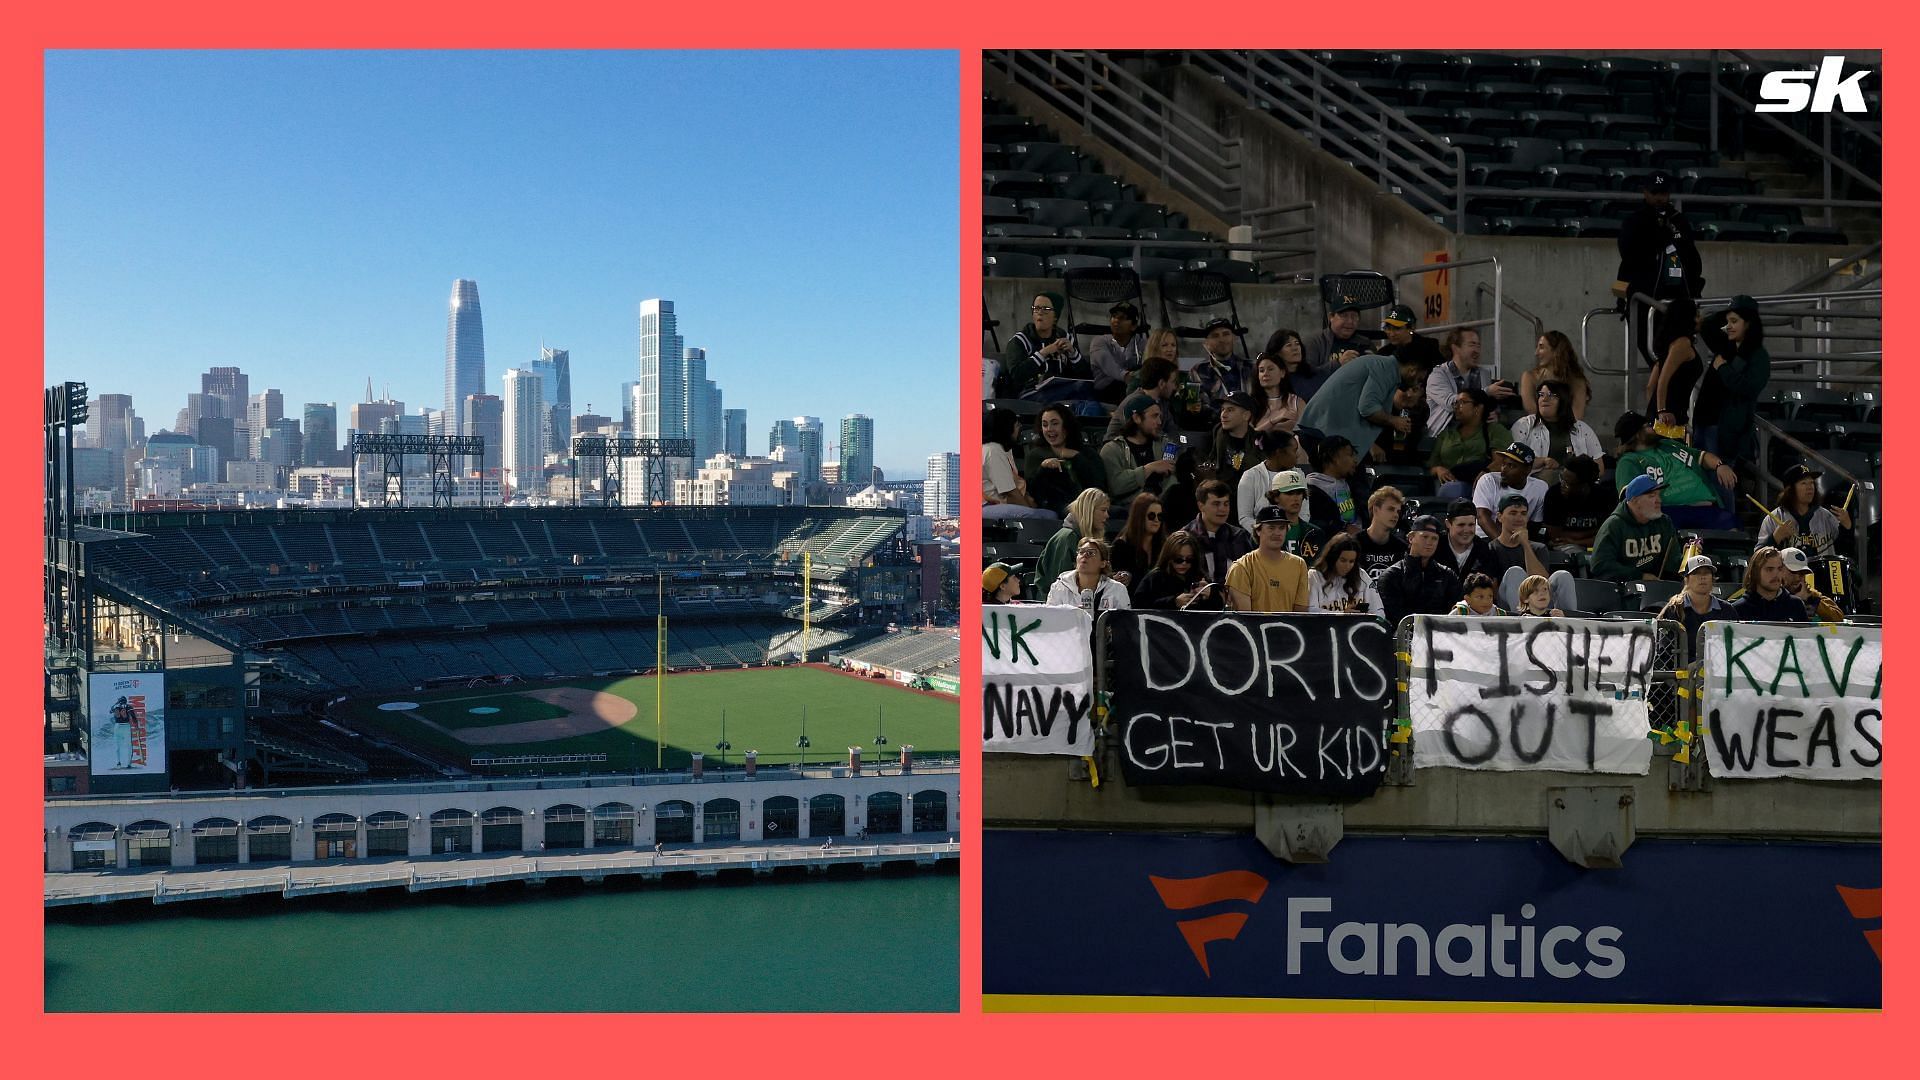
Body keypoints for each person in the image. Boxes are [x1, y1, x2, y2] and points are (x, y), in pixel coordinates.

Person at [1615, 171, 1703, 368]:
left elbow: (1692, 261)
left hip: (1677, 301)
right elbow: (1627, 259)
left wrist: (1696, 293)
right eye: (1655, 193)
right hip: (1646, 300)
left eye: (1663, 193)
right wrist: (1621, 297)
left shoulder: (1679, 220)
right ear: (1645, 193)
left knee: (1677, 358)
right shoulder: (1635, 221)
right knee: (1654, 355)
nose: (1659, 198)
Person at [1612, 411, 1739, 530]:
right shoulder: (1629, 461)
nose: (1654, 427)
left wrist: (1720, 465)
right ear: (1637, 434)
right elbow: (1630, 499)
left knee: (1732, 528)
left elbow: (1702, 456)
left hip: (1708, 509)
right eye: (1648, 426)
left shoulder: (1669, 445)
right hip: (1669, 512)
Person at [1296, 351, 1424, 462]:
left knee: (1345, 482)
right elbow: (1368, 409)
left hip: (1321, 430)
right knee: (1344, 483)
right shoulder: (1385, 369)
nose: (1420, 381)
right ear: (1412, 370)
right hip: (1322, 432)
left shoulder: (1380, 365)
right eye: (1421, 377)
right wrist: (1393, 420)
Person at [1692, 294, 1771, 466]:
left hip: (1724, 429)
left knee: (1719, 481)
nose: (1728, 327)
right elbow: (1707, 325)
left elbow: (1748, 387)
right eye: (1728, 322)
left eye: (1734, 322)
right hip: (1705, 420)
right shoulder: (1727, 344)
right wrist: (1730, 312)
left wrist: (1723, 369)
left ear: (1749, 324)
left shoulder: (1758, 355)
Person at [1487, 493, 1578, 613]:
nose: (1519, 518)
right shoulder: (1491, 548)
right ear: (1499, 517)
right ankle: (1523, 619)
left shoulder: (1538, 548)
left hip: (1540, 601)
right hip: (1506, 604)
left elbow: (1541, 582)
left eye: (1523, 514)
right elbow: (1491, 591)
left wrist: (1525, 545)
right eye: (1513, 513)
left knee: (1562, 576)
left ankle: (1569, 624)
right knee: (1515, 572)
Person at [1425, 327, 1518, 438]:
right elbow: (1451, 403)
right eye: (1472, 345)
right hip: (1445, 437)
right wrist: (1486, 392)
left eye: (1478, 346)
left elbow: (1488, 406)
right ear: (1455, 348)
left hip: (1477, 438)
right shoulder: (1438, 375)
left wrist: (1494, 414)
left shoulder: (1484, 374)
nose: (1477, 351)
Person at [1509, 380, 1603, 486]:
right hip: (1533, 484)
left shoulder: (1582, 429)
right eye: (1541, 395)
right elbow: (1512, 462)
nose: (1544, 399)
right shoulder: (1524, 425)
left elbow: (1599, 466)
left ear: (1564, 400)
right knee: (1548, 476)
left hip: (1576, 485)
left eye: (1551, 395)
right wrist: (1542, 461)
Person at [1374, 515, 1462, 628]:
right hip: (1405, 640)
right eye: (1425, 537)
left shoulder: (1447, 575)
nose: (1429, 542)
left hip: (1441, 637)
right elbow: (1394, 616)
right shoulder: (1392, 576)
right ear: (1411, 538)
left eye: (1434, 538)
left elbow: (1456, 612)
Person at [1021, 403, 1108, 516]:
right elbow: (1032, 492)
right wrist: (1043, 469)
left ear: (1066, 426)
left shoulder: (1086, 453)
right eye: (1045, 425)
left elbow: (1098, 485)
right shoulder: (1035, 455)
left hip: (1091, 504)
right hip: (1055, 508)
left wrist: (1078, 458)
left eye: (1055, 424)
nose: (1049, 429)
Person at [1591, 473, 1682, 582]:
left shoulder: (1664, 522)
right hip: (1621, 589)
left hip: (1658, 588)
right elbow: (1600, 566)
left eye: (1659, 494)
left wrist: (1689, 559)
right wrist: (1640, 577)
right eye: (1652, 496)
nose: (1659, 500)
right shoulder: (1614, 525)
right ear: (1634, 500)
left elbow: (1672, 562)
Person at [1428, 386, 1513, 500]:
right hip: (1448, 482)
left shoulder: (1494, 430)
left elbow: (1501, 462)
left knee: (1453, 490)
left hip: (1482, 483)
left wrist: (1484, 473)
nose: (1456, 407)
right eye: (1455, 403)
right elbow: (1431, 465)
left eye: (1462, 402)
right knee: (1449, 489)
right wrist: (1438, 469)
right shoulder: (1447, 434)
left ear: (1478, 408)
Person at [997, 291, 1087, 397]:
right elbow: (1017, 375)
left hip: (1062, 391)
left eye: (1045, 309)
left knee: (1085, 389)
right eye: (1036, 308)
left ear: (1055, 317)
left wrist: (1073, 353)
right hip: (1029, 394)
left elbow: (1085, 376)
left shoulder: (1065, 338)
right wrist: (1044, 353)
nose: (1039, 312)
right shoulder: (1019, 341)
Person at [1226, 505, 1311, 613]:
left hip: (1288, 629)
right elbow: (1245, 618)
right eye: (1271, 527)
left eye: (1281, 528)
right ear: (1258, 530)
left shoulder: (1299, 565)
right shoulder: (1242, 567)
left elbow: (1301, 614)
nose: (1277, 533)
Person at [1099, 395, 1177, 513]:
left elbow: (1174, 478)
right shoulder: (1112, 449)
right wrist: (1149, 468)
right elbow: (1116, 486)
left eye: (1160, 416)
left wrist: (1161, 502)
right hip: (1130, 511)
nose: (1160, 422)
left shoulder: (1165, 445)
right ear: (1137, 418)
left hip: (1164, 507)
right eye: (1154, 416)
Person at [1758, 463, 1851, 559]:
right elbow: (1758, 559)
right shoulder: (1774, 518)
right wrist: (1775, 538)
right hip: (1787, 573)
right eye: (1803, 483)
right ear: (1790, 489)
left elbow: (1844, 552)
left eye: (1811, 483)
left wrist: (1846, 527)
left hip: (1822, 573)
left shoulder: (1825, 516)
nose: (1810, 487)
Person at [983, 407, 1056, 521]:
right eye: (1017, 426)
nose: (1019, 430)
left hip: (999, 503)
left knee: (1050, 514)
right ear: (1006, 429)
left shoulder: (1004, 449)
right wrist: (1029, 510)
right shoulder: (993, 450)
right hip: (986, 506)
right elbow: (1010, 492)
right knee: (1037, 517)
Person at [1645, 296, 1701, 434]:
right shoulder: (1682, 344)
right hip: (1670, 417)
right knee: (1672, 454)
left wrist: (1654, 413)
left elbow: (1650, 386)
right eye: (1697, 315)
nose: (1700, 319)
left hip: (1661, 417)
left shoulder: (1670, 345)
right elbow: (1663, 379)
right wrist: (1662, 411)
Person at [1296, 297, 1370, 401]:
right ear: (1331, 317)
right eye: (1344, 316)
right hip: (1324, 400)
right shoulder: (1314, 343)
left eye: (1354, 316)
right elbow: (1307, 379)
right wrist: (1338, 364)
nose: (1350, 321)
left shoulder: (1365, 343)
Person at [1198, 391, 1260, 514]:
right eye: (1222, 410)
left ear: (1246, 415)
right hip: (1219, 497)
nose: (1223, 415)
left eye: (1230, 410)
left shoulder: (1259, 442)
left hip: (1249, 501)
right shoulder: (1215, 436)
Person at [1657, 554, 1734, 653]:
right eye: (1696, 573)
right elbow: (1664, 652)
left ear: (1713, 578)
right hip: (1682, 668)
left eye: (1706, 573)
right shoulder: (1674, 610)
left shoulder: (1727, 610)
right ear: (1687, 579)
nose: (1702, 577)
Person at [1181, 479, 1251, 587]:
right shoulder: (1185, 538)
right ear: (1201, 506)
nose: (1222, 509)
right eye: (1216, 504)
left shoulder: (1239, 537)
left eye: (1226, 504)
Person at [1471, 443, 1549, 538]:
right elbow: (1482, 517)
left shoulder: (1540, 487)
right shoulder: (1488, 480)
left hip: (1519, 540)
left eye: (1511, 466)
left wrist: (1523, 545)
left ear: (1527, 470)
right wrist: (1504, 546)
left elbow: (1535, 525)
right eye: (1503, 464)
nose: (1504, 470)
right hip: (1486, 538)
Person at [1132, 530, 1223, 610]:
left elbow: (1220, 608)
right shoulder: (1155, 578)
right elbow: (1138, 606)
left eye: (1189, 559)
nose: (1184, 563)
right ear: (1169, 557)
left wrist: (1210, 595)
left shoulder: (1199, 577)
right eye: (1178, 559)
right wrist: (1173, 602)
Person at [1036, 488, 1109, 586]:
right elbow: (1061, 583)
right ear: (1089, 510)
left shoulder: (1085, 538)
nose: (1107, 515)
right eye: (1103, 510)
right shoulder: (1066, 538)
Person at [1235, 429, 1300, 537]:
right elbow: (1244, 517)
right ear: (1279, 452)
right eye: (1294, 450)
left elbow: (1304, 514)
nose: (1297, 455)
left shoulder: (1298, 475)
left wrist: (1289, 534)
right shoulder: (1250, 476)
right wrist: (1267, 534)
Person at [1517, 330, 1592, 421]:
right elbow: (1531, 410)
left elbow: (1577, 416)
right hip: (1537, 430)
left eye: (1541, 347)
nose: (1536, 353)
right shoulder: (1529, 377)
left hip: (1568, 430)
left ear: (1556, 350)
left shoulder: (1577, 381)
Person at [1543, 456, 1612, 551]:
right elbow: (1556, 537)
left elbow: (1608, 535)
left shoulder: (1604, 496)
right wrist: (1593, 532)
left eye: (1568, 483)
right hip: (1565, 547)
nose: (1562, 485)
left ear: (1584, 486)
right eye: (1562, 479)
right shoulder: (1554, 494)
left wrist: (1575, 540)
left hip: (1597, 545)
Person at [1046, 536, 1132, 612]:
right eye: (1081, 552)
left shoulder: (1117, 590)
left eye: (1090, 553)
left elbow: (1125, 625)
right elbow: (1050, 620)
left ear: (1103, 563)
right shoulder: (1060, 587)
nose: (1084, 555)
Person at [1308, 533, 1384, 616]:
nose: (1347, 566)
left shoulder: (1361, 575)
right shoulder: (1314, 576)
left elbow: (1378, 610)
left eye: (1351, 561)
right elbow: (1309, 610)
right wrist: (1342, 615)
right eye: (1343, 560)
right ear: (1332, 557)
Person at [1106, 356, 1180, 440]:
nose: (1174, 387)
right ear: (1162, 383)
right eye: (1173, 382)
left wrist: (1174, 452)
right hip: (1119, 450)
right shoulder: (1135, 403)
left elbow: (1173, 434)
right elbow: (1141, 438)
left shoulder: (1162, 403)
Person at [1304, 434, 1364, 537]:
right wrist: (1343, 528)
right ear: (1333, 457)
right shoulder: (1310, 491)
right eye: (1350, 455)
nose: (1355, 460)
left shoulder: (1353, 486)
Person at [1190, 316, 1250, 419]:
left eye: (1226, 334)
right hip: (1213, 428)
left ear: (1234, 338)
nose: (1221, 340)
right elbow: (1191, 407)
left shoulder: (1250, 367)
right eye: (1215, 336)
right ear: (1206, 343)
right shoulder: (1196, 370)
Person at [1262, 469, 1327, 562]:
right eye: (1289, 493)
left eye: (1299, 493)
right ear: (1276, 497)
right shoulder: (1264, 533)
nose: (1295, 498)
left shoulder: (1316, 533)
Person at [1087, 301, 1146, 404]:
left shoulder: (1141, 343)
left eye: (1122, 318)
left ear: (1134, 325)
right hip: (1105, 392)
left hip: (1133, 390)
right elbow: (1108, 364)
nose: (1116, 321)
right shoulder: (1099, 341)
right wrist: (1126, 376)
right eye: (1114, 316)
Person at [1729, 545, 1805, 622]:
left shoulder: (1796, 605)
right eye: (1769, 569)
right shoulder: (1738, 609)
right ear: (1755, 572)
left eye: (1779, 569)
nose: (1776, 574)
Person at [1437, 498, 1505, 585]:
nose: (1466, 530)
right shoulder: (1436, 546)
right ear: (1448, 524)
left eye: (1471, 525)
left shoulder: (1484, 550)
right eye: (1461, 525)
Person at [1250, 336, 1306, 433]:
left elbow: (1306, 432)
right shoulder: (1251, 404)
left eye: (1270, 369)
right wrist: (1275, 420)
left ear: (1282, 373)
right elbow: (1248, 436)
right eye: (1261, 370)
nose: (1265, 374)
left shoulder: (1297, 402)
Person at [1109, 495, 1166, 588]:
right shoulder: (1121, 546)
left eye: (1160, 516)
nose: (1156, 520)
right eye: (1151, 516)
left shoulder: (1163, 545)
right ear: (1139, 516)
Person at [1778, 546, 1845, 623]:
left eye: (1802, 574)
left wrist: (1813, 601)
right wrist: (1795, 601)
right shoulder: (1770, 591)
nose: (1797, 578)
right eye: (1793, 572)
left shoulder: (1810, 594)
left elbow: (1838, 618)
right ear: (1780, 569)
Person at [1354, 486, 1409, 577]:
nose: (1396, 515)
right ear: (1376, 509)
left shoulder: (1402, 548)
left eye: (1398, 511)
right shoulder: (1354, 543)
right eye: (1391, 509)